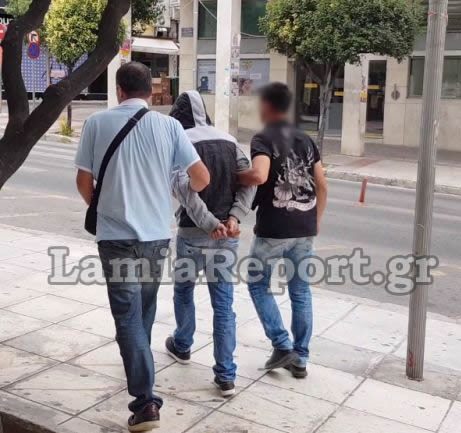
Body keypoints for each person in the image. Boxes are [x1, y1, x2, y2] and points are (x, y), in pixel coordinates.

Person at [74, 62, 210, 432]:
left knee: (128, 316)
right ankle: (141, 368)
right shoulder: (170, 127)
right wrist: (172, 188)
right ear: (150, 92)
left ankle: (145, 400)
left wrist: (101, 206)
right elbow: (201, 178)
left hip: (115, 239)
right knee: (143, 310)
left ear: (119, 90)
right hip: (155, 238)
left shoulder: (96, 123)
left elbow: (84, 181)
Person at [163, 90, 256, 397]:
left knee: (183, 291)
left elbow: (185, 192)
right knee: (224, 304)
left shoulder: (180, 142)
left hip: (192, 234)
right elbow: (249, 182)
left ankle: (182, 344)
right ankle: (226, 375)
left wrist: (209, 223)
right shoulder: (229, 141)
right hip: (227, 237)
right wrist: (234, 218)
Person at [238, 82, 328, 379]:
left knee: (257, 284)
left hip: (274, 229)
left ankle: (281, 344)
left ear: (266, 106)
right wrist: (316, 220)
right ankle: (300, 358)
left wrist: (235, 176)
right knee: (300, 290)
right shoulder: (305, 139)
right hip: (305, 227)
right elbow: (322, 184)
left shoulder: (263, 138)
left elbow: (259, 175)